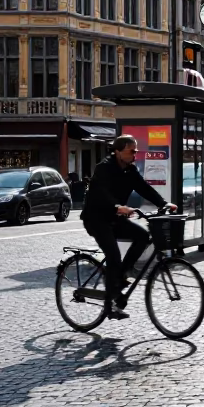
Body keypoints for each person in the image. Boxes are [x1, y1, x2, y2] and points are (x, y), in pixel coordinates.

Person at [81, 135, 177, 320]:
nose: (135, 154)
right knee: (113, 255)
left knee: (142, 236)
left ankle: (120, 275)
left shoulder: (130, 170)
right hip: (97, 219)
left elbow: (144, 188)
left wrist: (163, 203)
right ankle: (110, 306)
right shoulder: (104, 168)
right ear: (117, 152)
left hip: (115, 218)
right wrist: (117, 207)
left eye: (136, 150)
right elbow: (101, 192)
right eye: (131, 151)